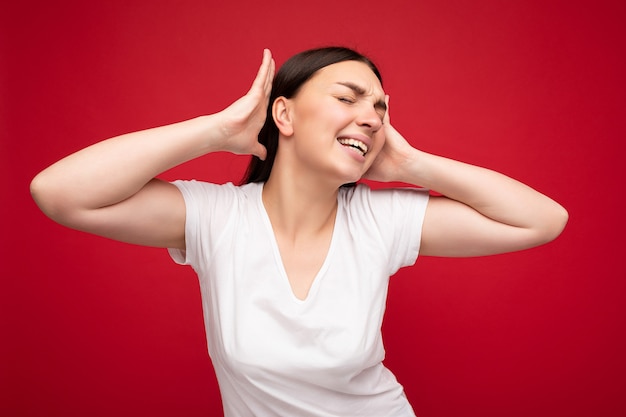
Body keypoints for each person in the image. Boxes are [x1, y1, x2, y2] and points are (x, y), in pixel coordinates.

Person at [30, 47, 568, 416]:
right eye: (348, 97)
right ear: (283, 114)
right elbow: (60, 193)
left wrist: (412, 165)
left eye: (380, 107)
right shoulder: (217, 218)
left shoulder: (381, 219)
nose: (373, 117)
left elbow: (543, 220)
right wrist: (217, 132)